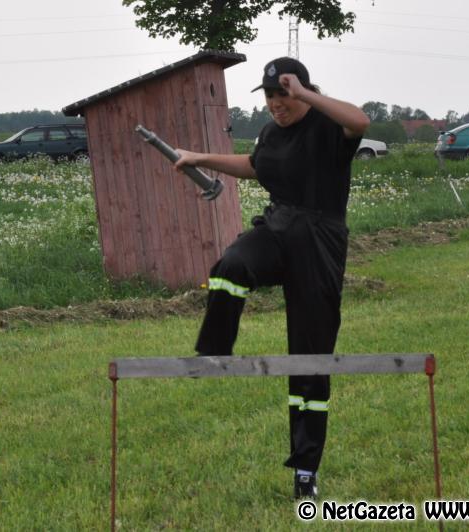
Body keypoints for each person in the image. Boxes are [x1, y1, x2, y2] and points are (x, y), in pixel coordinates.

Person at [174, 57, 369, 499]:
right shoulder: (269, 133)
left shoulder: (326, 124)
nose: (276, 104)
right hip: (280, 227)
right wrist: (199, 157)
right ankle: (214, 352)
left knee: (310, 355)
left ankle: (305, 470)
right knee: (231, 267)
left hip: (320, 238)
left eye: (282, 95)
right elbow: (254, 165)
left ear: (299, 90)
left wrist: (303, 93)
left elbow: (360, 120)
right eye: (270, 96)